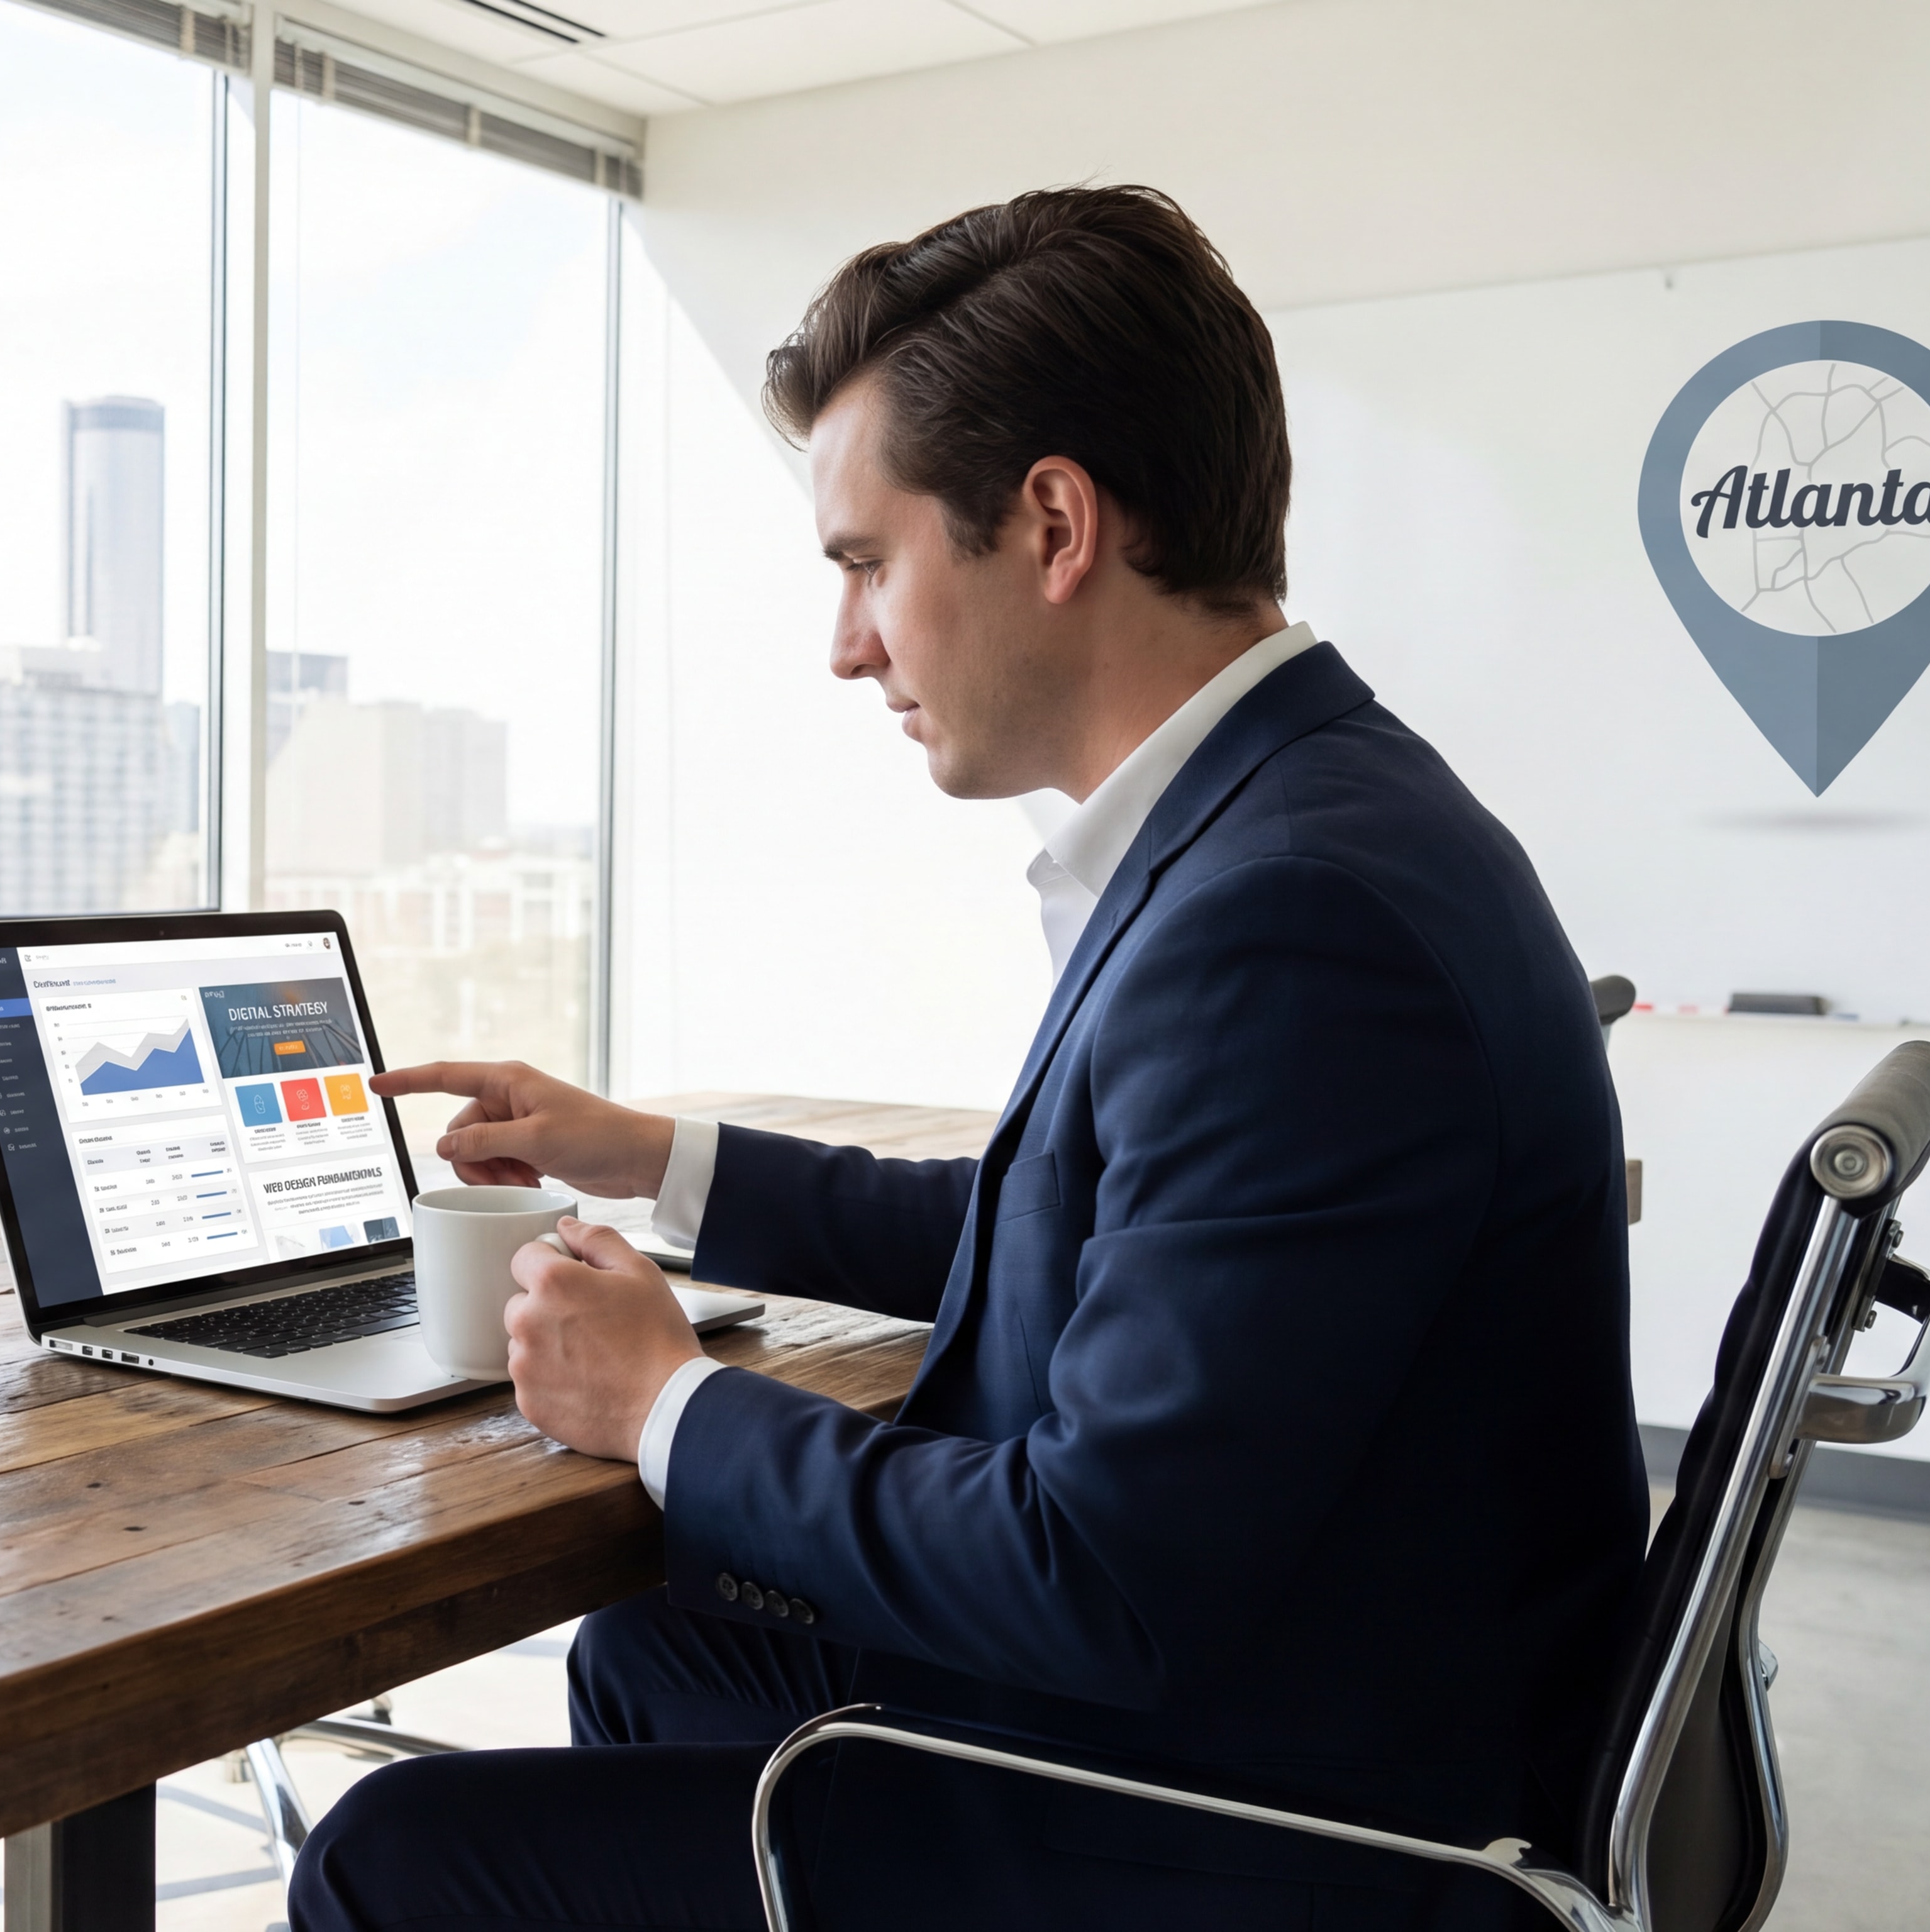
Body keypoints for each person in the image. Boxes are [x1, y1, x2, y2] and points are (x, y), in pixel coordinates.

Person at [289, 187, 1643, 1931]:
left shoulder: (1293, 919)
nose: (847, 641)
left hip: (1275, 1831)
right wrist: (657, 1156)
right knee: (655, 1650)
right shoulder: (1300, 819)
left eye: (867, 562)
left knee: (395, 1859)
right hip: (1309, 1704)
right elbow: (1079, 1245)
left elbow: (1097, 1577)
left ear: (1054, 523)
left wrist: (665, 1401)